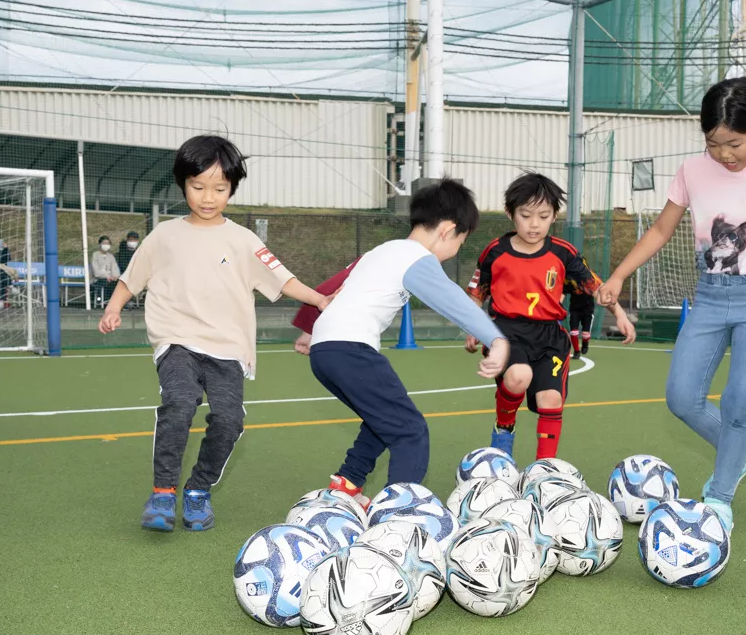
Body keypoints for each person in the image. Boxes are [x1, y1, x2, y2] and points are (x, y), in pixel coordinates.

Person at [598, 77, 746, 533]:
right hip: (709, 294)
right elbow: (661, 229)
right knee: (681, 397)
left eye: (734, 143)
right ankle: (741, 451)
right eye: (713, 142)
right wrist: (619, 274)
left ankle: (719, 498)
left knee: (741, 397)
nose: (723, 154)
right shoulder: (691, 171)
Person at [98, 135, 329, 532]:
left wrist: (320, 299)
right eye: (198, 186)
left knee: (229, 420)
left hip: (228, 347)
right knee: (181, 402)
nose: (208, 197)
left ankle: (198, 490)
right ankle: (163, 492)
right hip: (177, 340)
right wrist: (113, 307)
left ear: (232, 189)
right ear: (183, 184)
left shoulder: (243, 240)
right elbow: (131, 278)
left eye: (219, 189)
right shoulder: (164, 236)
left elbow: (283, 279)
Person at [311, 179, 509, 500]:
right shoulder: (416, 257)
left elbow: (334, 286)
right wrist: (495, 339)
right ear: (447, 230)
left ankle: (347, 484)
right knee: (410, 431)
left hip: (326, 350)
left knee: (384, 418)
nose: (455, 252)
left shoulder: (382, 250)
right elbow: (451, 299)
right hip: (350, 348)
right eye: (460, 242)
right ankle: (400, 514)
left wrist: (309, 329)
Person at [465, 172, 636, 461]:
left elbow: (595, 286)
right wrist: (471, 325)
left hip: (549, 337)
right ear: (510, 213)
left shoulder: (563, 253)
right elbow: (476, 292)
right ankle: (503, 430)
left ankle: (544, 469)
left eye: (543, 216)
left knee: (551, 400)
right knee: (519, 376)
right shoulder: (496, 252)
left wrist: (619, 313)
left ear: (554, 216)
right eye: (526, 215)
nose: (534, 224)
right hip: (507, 333)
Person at [90, 235, 119, 308]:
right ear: (100, 244)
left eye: (108, 243)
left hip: (110, 280)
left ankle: (115, 303)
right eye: (104, 243)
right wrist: (107, 276)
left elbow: (115, 269)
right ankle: (101, 301)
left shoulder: (111, 256)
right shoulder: (95, 255)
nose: (106, 245)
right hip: (97, 279)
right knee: (105, 282)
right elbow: (96, 272)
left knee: (118, 282)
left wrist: (114, 276)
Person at [568, 290, 596, 356]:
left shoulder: (592, 281)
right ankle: (576, 351)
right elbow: (563, 292)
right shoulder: (572, 281)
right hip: (575, 310)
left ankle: (585, 344)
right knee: (573, 332)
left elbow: (598, 292)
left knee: (585, 334)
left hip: (587, 311)